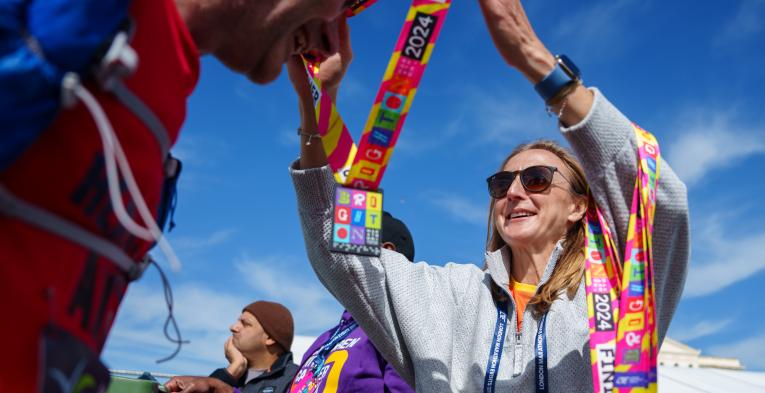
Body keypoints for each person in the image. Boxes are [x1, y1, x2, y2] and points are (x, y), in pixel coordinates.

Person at [287, 1, 689, 392]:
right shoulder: (447, 294)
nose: (513, 192)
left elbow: (658, 200)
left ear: (578, 206)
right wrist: (315, 106)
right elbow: (341, 252)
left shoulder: (616, 290)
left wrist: (535, 60)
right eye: (501, 183)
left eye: (536, 179)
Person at [0, 1, 378, 392]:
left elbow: (356, 265)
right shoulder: (82, 18)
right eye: (345, 4)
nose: (335, 38)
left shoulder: (173, 74)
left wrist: (320, 105)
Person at [289, 211, 416, 393]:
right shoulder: (324, 339)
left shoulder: (401, 325)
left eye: (351, 245)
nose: (339, 256)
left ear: (387, 252)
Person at [208, 301, 299, 393]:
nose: (233, 327)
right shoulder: (232, 375)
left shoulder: (297, 380)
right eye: (238, 322)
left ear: (270, 338)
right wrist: (230, 372)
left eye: (245, 324)